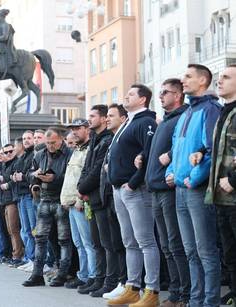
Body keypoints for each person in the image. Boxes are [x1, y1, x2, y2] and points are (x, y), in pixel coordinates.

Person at [165, 64, 222, 307]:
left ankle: (209, 302)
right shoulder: (187, 112)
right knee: (190, 252)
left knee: (206, 252)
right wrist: (171, 172)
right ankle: (195, 301)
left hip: (196, 190)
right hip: (180, 190)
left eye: (188, 76)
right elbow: (176, 149)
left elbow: (212, 149)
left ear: (202, 81)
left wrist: (194, 177)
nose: (183, 80)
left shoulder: (210, 109)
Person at [107, 84, 160, 306]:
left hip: (134, 190)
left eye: (130, 94)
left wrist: (133, 182)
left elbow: (149, 153)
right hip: (119, 190)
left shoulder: (145, 122)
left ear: (142, 99)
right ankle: (132, 286)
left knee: (145, 240)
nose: (125, 97)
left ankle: (152, 290)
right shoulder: (129, 121)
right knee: (130, 241)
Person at [138, 78, 190, 307]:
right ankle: (177, 292)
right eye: (160, 92)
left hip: (169, 189)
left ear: (178, 95)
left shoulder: (183, 118)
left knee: (175, 243)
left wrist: (169, 156)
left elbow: (184, 146)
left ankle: (184, 294)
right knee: (167, 246)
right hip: (156, 189)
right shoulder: (165, 121)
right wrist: (143, 157)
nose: (160, 96)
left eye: (165, 92)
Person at [23, 127, 73, 287]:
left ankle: (63, 273)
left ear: (61, 140)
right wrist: (35, 176)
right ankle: (37, 274)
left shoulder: (69, 154)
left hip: (61, 199)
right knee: (40, 238)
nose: (50, 146)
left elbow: (72, 177)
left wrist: (55, 178)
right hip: (44, 199)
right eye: (48, 143)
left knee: (64, 239)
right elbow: (28, 174)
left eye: (53, 143)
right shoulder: (40, 154)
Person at [76, 105, 117, 297]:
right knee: (96, 242)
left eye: (93, 116)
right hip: (91, 197)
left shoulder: (107, 139)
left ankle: (109, 281)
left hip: (101, 197)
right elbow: (87, 167)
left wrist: (83, 187)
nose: (89, 119)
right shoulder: (94, 139)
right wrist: (80, 187)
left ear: (102, 119)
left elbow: (98, 169)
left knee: (107, 242)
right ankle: (98, 278)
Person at [204, 64, 236, 307]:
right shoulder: (225, 112)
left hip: (232, 193)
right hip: (221, 196)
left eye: (226, 77)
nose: (219, 81)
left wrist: (233, 180)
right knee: (229, 251)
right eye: (219, 77)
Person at [60, 118, 97, 292]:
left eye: (77, 128)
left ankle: (92, 275)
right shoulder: (76, 150)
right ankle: (83, 275)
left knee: (88, 242)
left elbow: (87, 176)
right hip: (70, 203)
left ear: (87, 129)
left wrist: (81, 199)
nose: (74, 131)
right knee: (79, 243)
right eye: (72, 129)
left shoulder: (89, 149)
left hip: (80, 203)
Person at [99, 104, 129, 300]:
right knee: (115, 243)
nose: (107, 119)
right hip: (108, 196)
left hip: (121, 193)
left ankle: (128, 283)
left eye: (111, 115)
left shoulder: (122, 138)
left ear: (123, 118)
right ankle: (120, 281)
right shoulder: (113, 140)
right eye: (107, 115)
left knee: (126, 242)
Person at [12, 131, 37, 272]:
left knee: (32, 229)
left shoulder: (34, 154)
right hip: (21, 195)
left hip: (28, 195)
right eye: (24, 139)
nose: (26, 141)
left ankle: (35, 259)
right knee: (25, 230)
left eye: (29, 138)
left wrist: (23, 176)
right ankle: (30, 258)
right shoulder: (24, 156)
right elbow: (19, 172)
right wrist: (16, 176)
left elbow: (30, 173)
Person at [0, 143, 24, 266]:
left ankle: (18, 255)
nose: (8, 154)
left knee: (15, 229)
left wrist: (7, 183)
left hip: (13, 199)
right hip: (6, 200)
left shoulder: (17, 162)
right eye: (5, 152)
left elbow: (15, 179)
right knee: (10, 230)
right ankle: (15, 254)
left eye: (10, 151)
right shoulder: (5, 165)